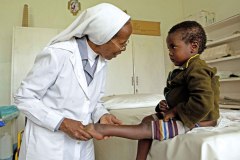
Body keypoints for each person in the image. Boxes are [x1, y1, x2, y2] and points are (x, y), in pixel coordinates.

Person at [84, 21, 220, 160]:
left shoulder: (198, 69)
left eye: (173, 47)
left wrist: (174, 110)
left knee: (147, 130)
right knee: (148, 119)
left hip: (200, 119)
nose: (170, 53)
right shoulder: (185, 69)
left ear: (193, 46)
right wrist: (166, 104)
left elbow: (203, 102)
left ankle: (103, 129)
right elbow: (184, 95)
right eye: (169, 49)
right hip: (187, 112)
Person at [14, 3, 132, 160]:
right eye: (122, 43)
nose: (122, 49)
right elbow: (24, 97)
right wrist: (62, 123)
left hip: (82, 148)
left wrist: (102, 115)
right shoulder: (58, 54)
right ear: (102, 36)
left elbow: (92, 101)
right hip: (48, 148)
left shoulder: (101, 62)